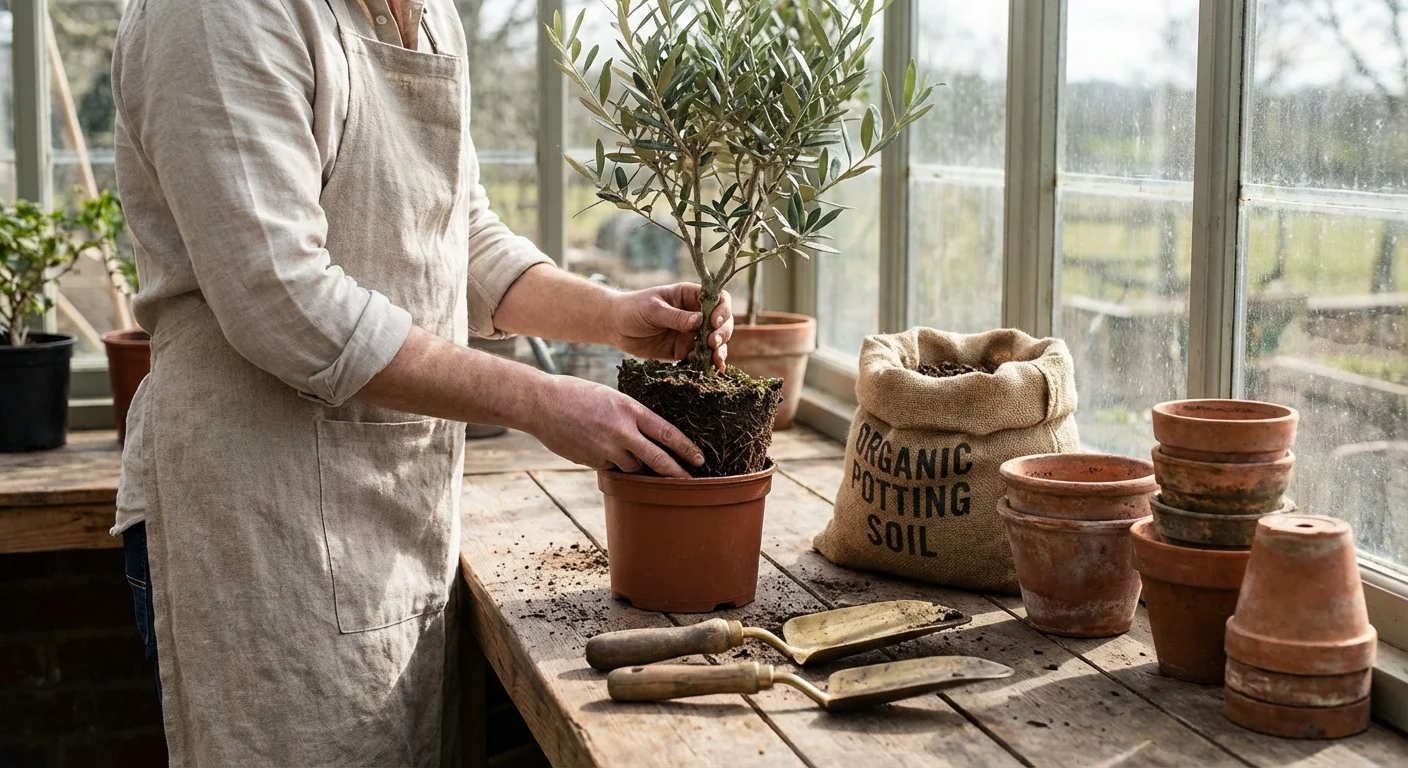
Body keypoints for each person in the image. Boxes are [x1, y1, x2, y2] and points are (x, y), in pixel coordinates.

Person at [109, 1, 732, 764]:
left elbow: (457, 236)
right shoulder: (220, 16)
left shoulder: (428, 14)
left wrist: (611, 316)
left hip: (396, 511)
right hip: (256, 518)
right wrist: (542, 401)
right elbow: (284, 302)